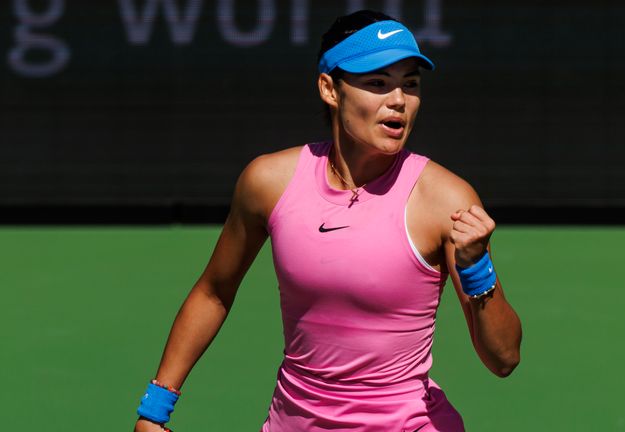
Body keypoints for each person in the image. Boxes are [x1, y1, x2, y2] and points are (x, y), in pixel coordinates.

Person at [134, 10, 522, 432]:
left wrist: (476, 267)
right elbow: (214, 292)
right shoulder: (268, 182)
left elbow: (503, 359)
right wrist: (155, 409)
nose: (398, 101)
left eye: (410, 84)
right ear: (329, 89)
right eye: (377, 83)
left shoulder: (446, 200)